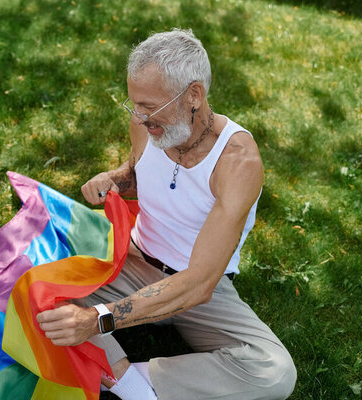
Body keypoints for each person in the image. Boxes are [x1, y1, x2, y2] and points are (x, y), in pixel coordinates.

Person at [36, 29, 297, 400]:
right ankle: (135, 388)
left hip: (200, 290)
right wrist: (115, 179)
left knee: (274, 372)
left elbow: (199, 283)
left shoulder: (237, 161)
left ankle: (126, 383)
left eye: (149, 106)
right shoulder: (147, 126)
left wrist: (98, 319)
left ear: (194, 94)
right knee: (45, 299)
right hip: (134, 264)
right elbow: (139, 174)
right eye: (134, 105)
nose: (139, 117)